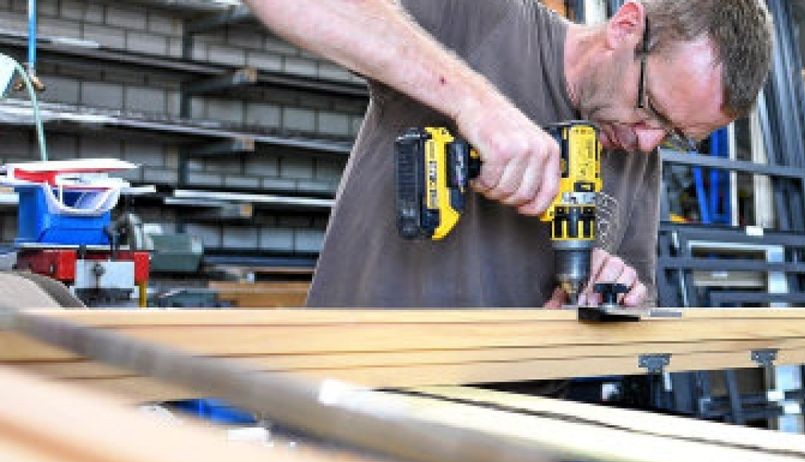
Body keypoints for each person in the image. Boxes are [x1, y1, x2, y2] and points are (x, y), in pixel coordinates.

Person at [244, 0, 773, 309]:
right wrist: (470, 98)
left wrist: (616, 294)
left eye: (677, 134)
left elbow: (638, 294)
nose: (649, 142)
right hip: (366, 410)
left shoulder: (638, 146)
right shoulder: (484, 21)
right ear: (625, 26)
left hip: (510, 443)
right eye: (650, 107)